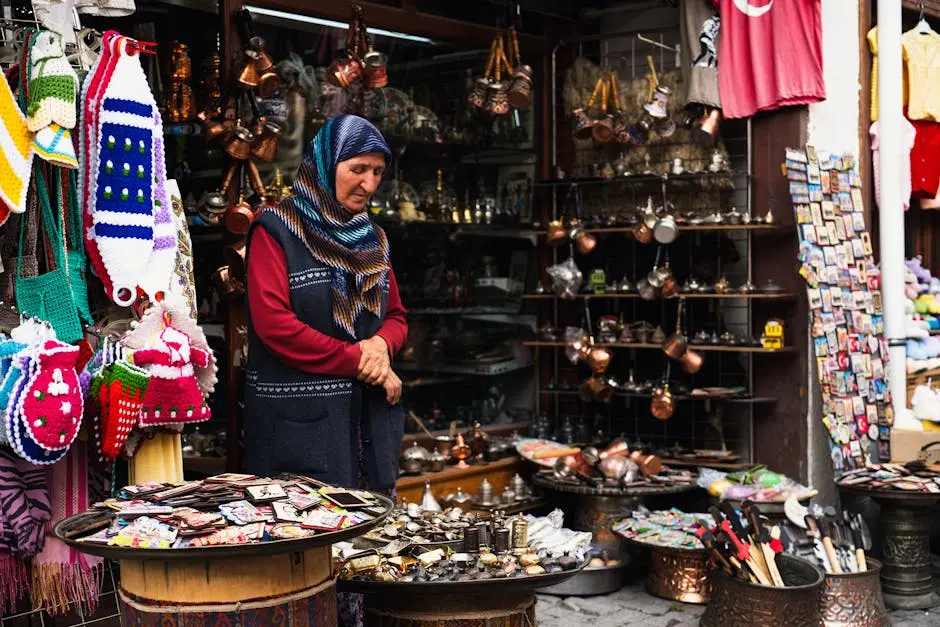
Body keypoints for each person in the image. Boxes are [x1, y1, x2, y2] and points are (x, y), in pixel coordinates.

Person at [243, 114, 407, 493]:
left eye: (378, 172)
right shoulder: (276, 229)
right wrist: (362, 363)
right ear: (327, 163)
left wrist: (381, 346)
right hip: (299, 435)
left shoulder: (373, 239)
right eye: (358, 169)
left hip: (368, 430)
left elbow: (396, 315)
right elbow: (275, 326)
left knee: (372, 545)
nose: (369, 183)